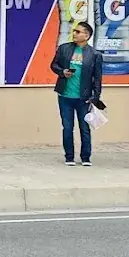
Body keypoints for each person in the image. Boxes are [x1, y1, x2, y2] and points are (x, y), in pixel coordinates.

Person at [50, 20, 103, 166]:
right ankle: (69, 156)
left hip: (83, 98)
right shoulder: (64, 49)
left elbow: (97, 78)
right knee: (67, 127)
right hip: (65, 96)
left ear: (86, 35)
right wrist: (62, 72)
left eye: (78, 32)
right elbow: (53, 65)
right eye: (74, 31)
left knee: (84, 127)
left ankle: (86, 157)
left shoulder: (94, 54)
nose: (74, 33)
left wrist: (95, 98)